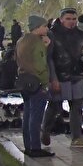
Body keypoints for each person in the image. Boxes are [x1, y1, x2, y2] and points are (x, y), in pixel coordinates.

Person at [46, 7, 83, 149]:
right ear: (61, 19)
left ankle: (76, 137)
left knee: (77, 106)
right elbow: (49, 58)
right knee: (55, 107)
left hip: (76, 74)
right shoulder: (52, 34)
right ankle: (45, 130)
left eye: (74, 19)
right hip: (59, 75)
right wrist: (53, 78)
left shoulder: (81, 35)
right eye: (68, 19)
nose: (71, 22)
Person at [16, 16, 54, 158]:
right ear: (37, 27)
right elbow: (40, 64)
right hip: (36, 82)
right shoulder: (37, 42)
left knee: (27, 114)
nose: (47, 29)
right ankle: (35, 148)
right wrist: (45, 83)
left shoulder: (21, 40)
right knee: (36, 116)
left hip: (24, 81)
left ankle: (28, 145)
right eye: (45, 26)